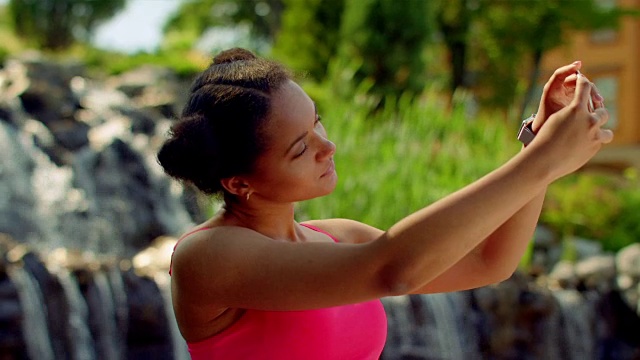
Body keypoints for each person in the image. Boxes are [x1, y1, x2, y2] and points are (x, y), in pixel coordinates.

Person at [157, 48, 613, 359]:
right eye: (300, 148)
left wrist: (539, 145)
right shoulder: (207, 257)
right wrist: (545, 160)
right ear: (239, 183)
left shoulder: (342, 237)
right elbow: (394, 270)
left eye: (318, 123)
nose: (327, 146)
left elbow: (488, 261)